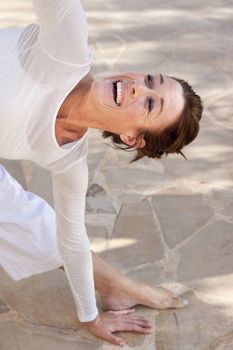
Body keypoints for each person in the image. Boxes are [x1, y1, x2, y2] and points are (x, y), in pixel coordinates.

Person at [0, 0, 203, 346]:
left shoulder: (68, 158)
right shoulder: (66, 48)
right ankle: (117, 284)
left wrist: (89, 316)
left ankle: (114, 287)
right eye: (151, 80)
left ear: (131, 137)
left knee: (20, 211)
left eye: (150, 103)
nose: (140, 86)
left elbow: (73, 240)